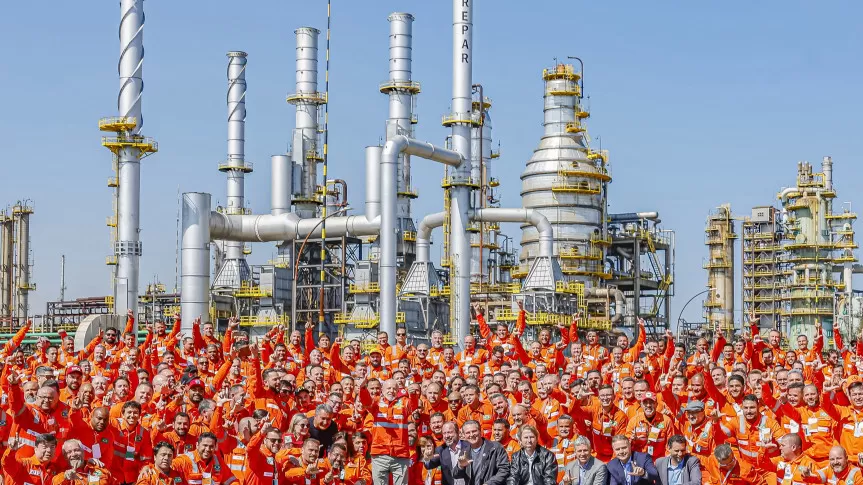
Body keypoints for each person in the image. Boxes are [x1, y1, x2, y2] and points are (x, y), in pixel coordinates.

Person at [452, 420, 510, 485]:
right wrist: (460, 466)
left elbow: (504, 470)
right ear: (464, 435)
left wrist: (490, 483)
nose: (471, 435)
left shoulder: (495, 448)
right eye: (468, 433)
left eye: (474, 431)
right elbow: (455, 475)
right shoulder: (465, 452)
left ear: (480, 431)